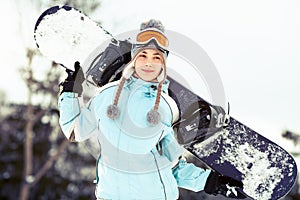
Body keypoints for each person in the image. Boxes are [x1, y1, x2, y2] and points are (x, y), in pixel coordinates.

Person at [58, 19, 245, 200]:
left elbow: (172, 167)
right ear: (134, 58)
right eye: (143, 55)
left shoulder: (168, 107)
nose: (149, 63)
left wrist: (211, 182)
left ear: (163, 63)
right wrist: (69, 93)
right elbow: (75, 130)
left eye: (157, 57)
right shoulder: (106, 96)